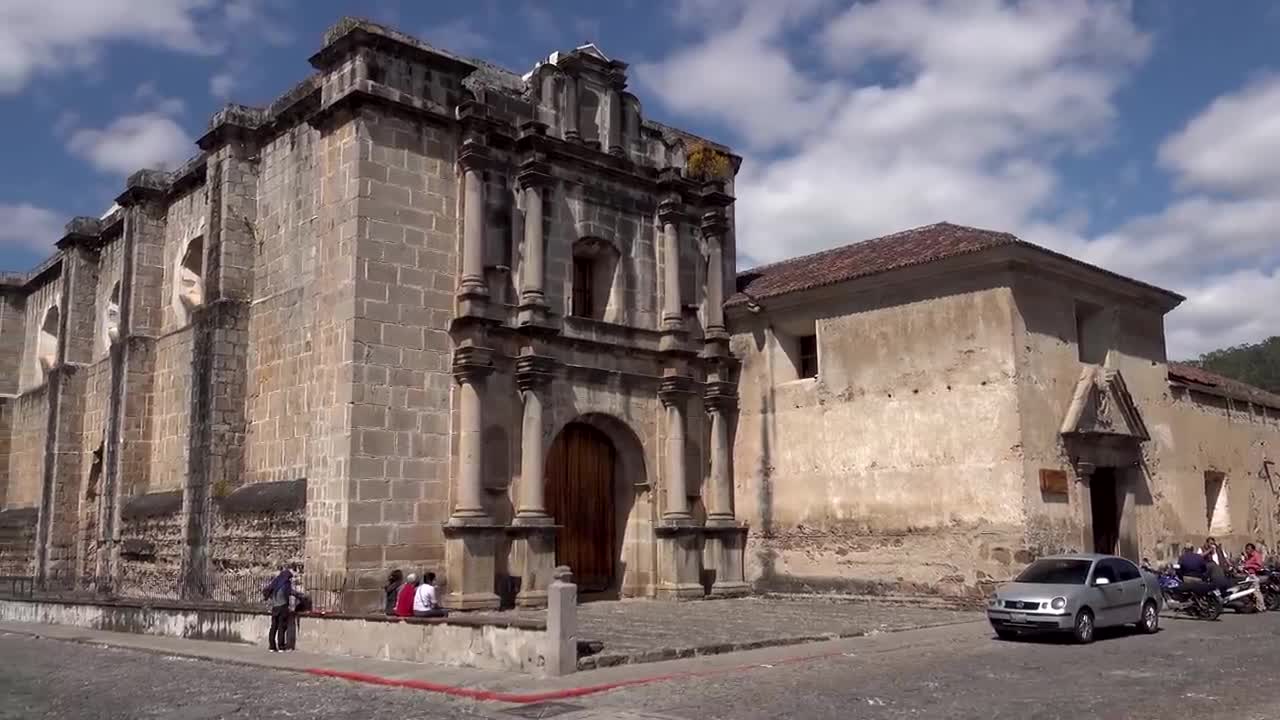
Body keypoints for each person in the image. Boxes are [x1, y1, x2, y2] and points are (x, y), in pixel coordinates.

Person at [262, 566, 303, 652]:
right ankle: (281, 646)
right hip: (283, 607)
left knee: (273, 627)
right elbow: (291, 592)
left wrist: (270, 599)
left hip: (275, 607)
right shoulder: (286, 583)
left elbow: (267, 590)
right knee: (281, 627)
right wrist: (300, 595)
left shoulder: (275, 582)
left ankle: (272, 646)